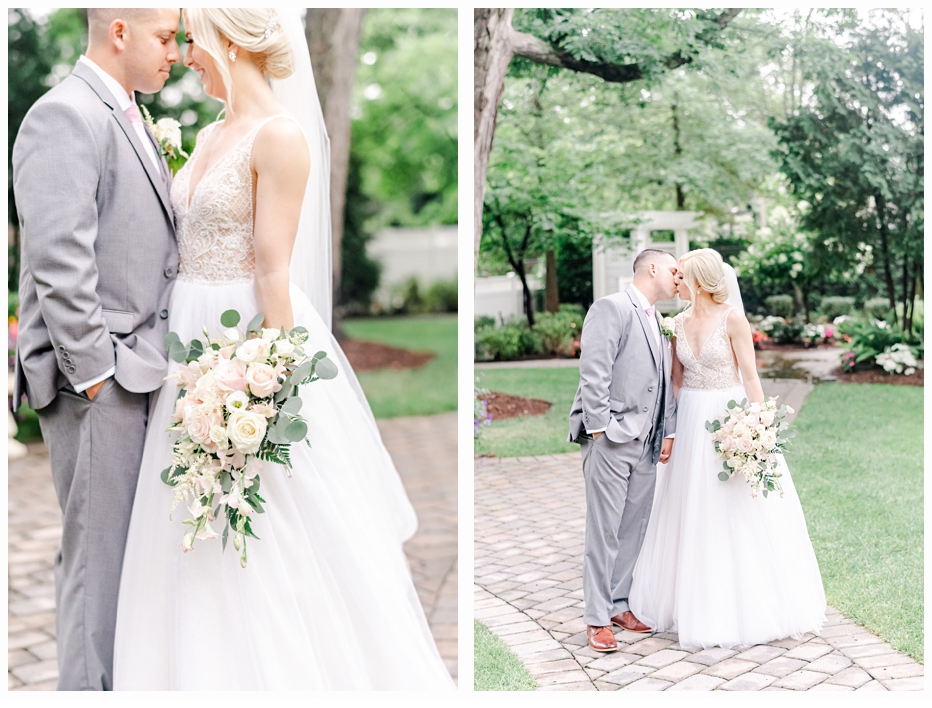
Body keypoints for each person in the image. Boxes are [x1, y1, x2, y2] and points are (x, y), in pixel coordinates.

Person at [111, 8, 454, 689]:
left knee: (262, 515)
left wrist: (262, 382)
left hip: (242, 340)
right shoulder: (211, 132)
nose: (185, 55)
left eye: (191, 41)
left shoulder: (280, 137)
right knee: (187, 514)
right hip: (189, 343)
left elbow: (273, 270)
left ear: (227, 39)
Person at [11, 8, 182, 690]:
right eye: (165, 38)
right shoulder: (63, 115)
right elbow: (59, 264)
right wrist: (95, 379)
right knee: (96, 569)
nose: (174, 52)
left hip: (138, 376)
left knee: (126, 567)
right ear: (119, 31)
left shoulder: (127, 114)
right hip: (99, 389)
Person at [629, 248, 826, 649]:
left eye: (681, 276)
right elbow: (677, 381)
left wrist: (758, 429)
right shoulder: (677, 324)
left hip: (730, 414)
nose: (675, 282)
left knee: (735, 505)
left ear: (699, 281)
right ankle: (693, 600)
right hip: (690, 418)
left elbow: (751, 378)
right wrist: (669, 428)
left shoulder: (733, 318)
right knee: (692, 506)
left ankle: (748, 603)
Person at [567, 248, 678, 653]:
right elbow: (594, 372)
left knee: (634, 527)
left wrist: (665, 432)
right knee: (605, 531)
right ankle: (596, 619)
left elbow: (663, 382)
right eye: (673, 270)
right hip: (612, 440)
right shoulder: (611, 307)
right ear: (652, 268)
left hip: (646, 443)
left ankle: (618, 604)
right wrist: (600, 431)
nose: (678, 278)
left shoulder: (658, 318)